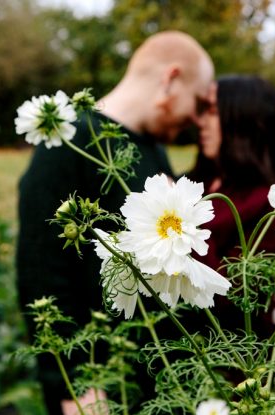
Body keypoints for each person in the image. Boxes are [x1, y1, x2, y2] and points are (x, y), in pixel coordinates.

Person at [16, 31, 215, 415]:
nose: (197, 117)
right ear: (171, 79)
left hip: (158, 376)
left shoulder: (153, 148)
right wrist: (75, 387)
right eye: (199, 101)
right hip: (102, 385)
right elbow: (41, 272)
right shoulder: (68, 142)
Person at [188, 74, 275, 334]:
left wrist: (184, 225)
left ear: (244, 123)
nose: (202, 123)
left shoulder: (273, 204)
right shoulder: (196, 179)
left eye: (213, 112)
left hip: (238, 353)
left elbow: (236, 296)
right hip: (182, 341)